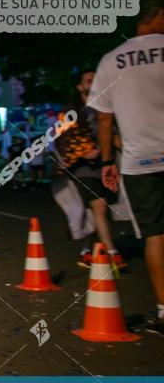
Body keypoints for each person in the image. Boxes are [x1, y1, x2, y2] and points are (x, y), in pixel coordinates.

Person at [90, 0, 164, 334]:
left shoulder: (110, 61)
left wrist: (108, 160)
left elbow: (104, 119)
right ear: (157, 16)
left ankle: (163, 311)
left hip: (140, 162)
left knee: (155, 235)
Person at [54, 70, 126, 270]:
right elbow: (62, 140)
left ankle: (86, 252)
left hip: (104, 166)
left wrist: (129, 153)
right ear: (79, 86)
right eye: (88, 81)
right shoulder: (69, 111)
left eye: (95, 80)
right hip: (80, 168)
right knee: (100, 205)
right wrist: (83, 153)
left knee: (94, 212)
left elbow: (113, 135)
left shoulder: (105, 108)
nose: (93, 83)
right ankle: (112, 253)